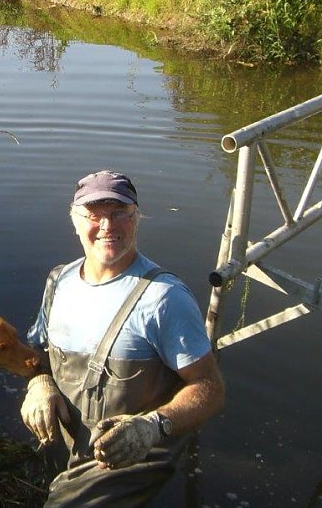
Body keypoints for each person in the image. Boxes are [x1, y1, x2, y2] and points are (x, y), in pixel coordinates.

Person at [21, 170, 225, 507]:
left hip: (131, 460)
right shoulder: (59, 281)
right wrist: (40, 382)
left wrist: (153, 426)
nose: (107, 227)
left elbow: (210, 387)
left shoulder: (164, 298)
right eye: (94, 215)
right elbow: (37, 351)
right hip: (68, 446)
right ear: (74, 221)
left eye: (119, 214)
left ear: (137, 219)